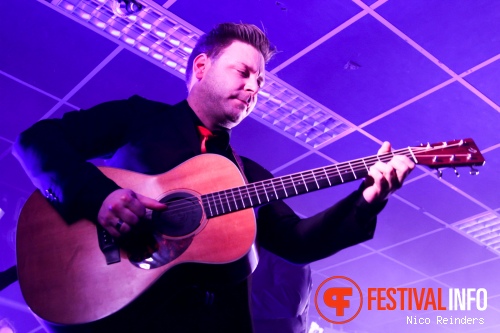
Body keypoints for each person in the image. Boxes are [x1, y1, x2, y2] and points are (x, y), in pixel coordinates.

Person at [13, 23, 414, 332]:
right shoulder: (139, 118)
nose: (253, 87)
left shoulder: (248, 176)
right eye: (243, 71)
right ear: (201, 66)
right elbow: (36, 142)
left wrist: (369, 197)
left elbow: (298, 240)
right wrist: (98, 196)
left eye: (260, 82)